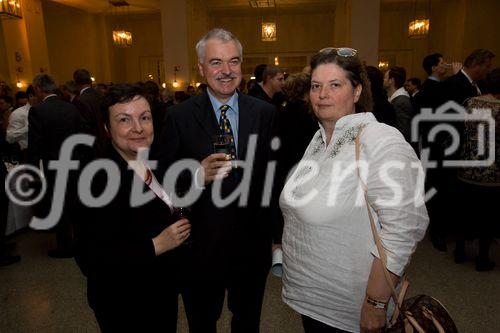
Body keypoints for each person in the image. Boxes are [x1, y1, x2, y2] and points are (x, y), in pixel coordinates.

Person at [280, 47, 429, 333]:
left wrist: (375, 304)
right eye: (316, 86)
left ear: (357, 91)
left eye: (335, 85)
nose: (322, 94)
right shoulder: (319, 138)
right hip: (311, 301)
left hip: (349, 310)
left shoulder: (380, 139)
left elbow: (405, 226)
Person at [157, 28, 281, 333]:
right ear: (201, 68)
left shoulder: (265, 113)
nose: (226, 71)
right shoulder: (178, 117)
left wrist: (277, 236)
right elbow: (163, 183)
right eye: (216, 62)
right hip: (199, 249)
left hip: (252, 246)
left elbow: (276, 179)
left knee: (248, 323)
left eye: (233, 61)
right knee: (201, 324)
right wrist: (197, 176)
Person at [74, 83, 190, 332]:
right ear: (106, 128)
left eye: (144, 118)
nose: (138, 128)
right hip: (126, 302)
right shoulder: (98, 180)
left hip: (158, 291)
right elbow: (91, 259)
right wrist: (155, 245)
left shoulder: (149, 162)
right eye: (124, 120)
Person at [28, 74, 83, 258]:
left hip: (54, 165)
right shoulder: (71, 108)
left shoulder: (37, 111)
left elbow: (35, 145)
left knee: (59, 205)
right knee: (74, 204)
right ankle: (79, 242)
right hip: (75, 163)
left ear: (38, 89)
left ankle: (65, 246)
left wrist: (34, 170)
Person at [455, 68, 500, 271]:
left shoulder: (470, 103)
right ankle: (482, 257)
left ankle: (460, 250)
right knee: (488, 218)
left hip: (467, 168)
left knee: (464, 212)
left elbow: (461, 130)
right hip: (492, 173)